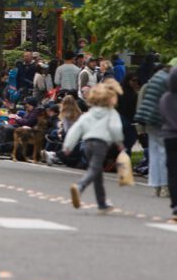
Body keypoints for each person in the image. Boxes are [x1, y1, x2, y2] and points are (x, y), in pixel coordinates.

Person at [65, 81, 124, 214]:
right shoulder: (111, 113)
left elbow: (76, 128)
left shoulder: (89, 113)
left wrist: (68, 145)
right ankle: (80, 186)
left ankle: (102, 203)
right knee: (94, 169)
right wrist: (119, 143)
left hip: (86, 144)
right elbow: (116, 128)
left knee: (98, 175)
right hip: (101, 144)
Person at [134, 63, 170, 198]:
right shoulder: (166, 84)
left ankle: (155, 185)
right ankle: (165, 185)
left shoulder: (147, 85)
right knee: (162, 153)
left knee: (155, 153)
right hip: (161, 121)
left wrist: (140, 126)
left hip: (149, 121)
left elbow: (140, 106)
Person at [157, 68, 177, 223]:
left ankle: (175, 204)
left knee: (172, 172)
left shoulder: (165, 98)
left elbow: (162, 116)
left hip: (169, 137)